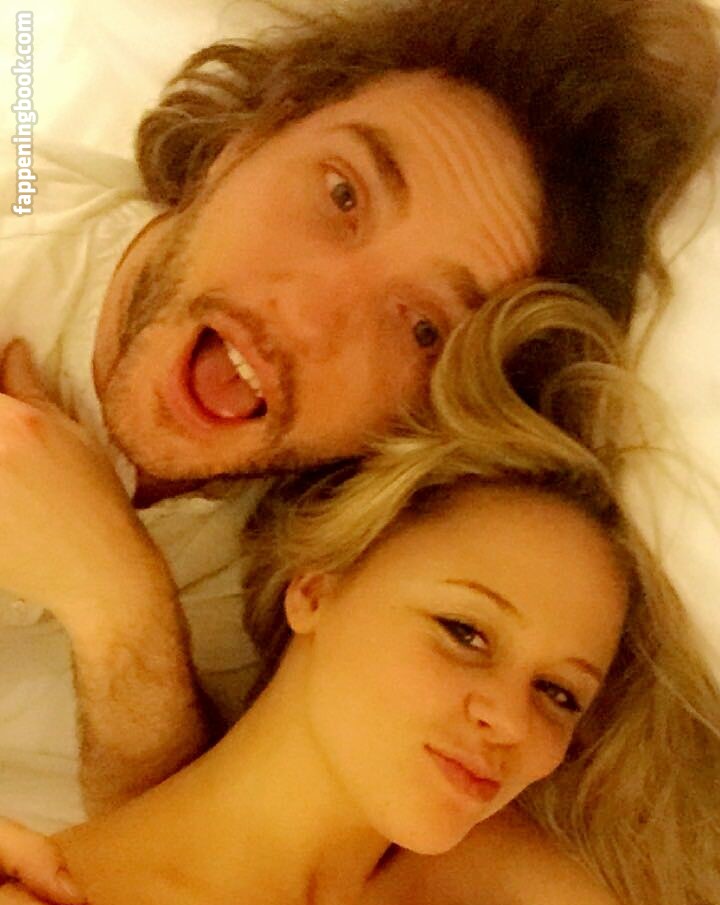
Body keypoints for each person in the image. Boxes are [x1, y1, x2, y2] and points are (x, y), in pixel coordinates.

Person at [0, 285, 718, 905]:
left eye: (559, 693)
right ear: (317, 587)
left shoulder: (518, 883)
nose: (510, 721)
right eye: (464, 631)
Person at [0, 0, 718, 838]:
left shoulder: (336, 586)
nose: (309, 319)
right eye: (342, 195)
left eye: (423, 328)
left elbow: (181, 871)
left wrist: (119, 610)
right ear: (244, 142)